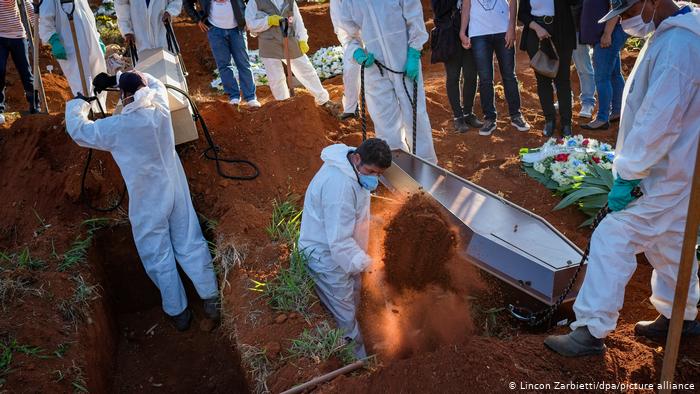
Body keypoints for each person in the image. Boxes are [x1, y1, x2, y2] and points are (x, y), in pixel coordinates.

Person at [544, 0, 700, 357]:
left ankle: (590, 331)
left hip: (662, 173)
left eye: (627, 13)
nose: (625, 22)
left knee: (612, 237)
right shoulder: (674, 34)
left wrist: (630, 173)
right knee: (672, 242)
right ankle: (682, 314)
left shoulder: (680, 46)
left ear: (651, 1)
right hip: (675, 170)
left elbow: (658, 120)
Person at [65, 71, 221, 331]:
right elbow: (156, 82)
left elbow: (79, 131)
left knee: (158, 254)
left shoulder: (117, 128)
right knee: (190, 242)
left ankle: (178, 312)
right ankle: (210, 298)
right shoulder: (159, 108)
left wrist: (80, 103)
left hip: (148, 200)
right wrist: (119, 78)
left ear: (124, 96)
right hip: (175, 190)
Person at [299, 138, 393, 359]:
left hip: (345, 251)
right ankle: (358, 363)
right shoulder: (339, 188)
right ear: (358, 158)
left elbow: (347, 215)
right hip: (327, 258)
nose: (373, 178)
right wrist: (370, 266)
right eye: (371, 172)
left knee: (355, 298)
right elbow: (339, 243)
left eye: (378, 175)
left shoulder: (350, 162)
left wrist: (372, 219)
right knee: (345, 316)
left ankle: (361, 341)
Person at [338, 0, 438, 164]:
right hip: (375, 67)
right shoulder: (349, 2)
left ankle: (426, 165)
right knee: (384, 120)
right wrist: (356, 52)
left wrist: (414, 50)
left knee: (415, 115)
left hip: (404, 60)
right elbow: (347, 35)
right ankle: (397, 167)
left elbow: (414, 17)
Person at [244, 0, 335, 111]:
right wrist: (268, 21)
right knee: (276, 77)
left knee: (306, 69)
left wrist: (302, 39)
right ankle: (285, 105)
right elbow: (250, 24)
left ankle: (323, 100)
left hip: (289, 38)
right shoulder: (255, 2)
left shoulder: (290, 1)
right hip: (269, 42)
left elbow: (297, 20)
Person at [461, 0, 530, 136]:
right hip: (478, 34)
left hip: (503, 31)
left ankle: (516, 115)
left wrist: (512, 27)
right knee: (485, 79)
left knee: (509, 76)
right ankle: (489, 118)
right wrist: (462, 31)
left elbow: (513, 1)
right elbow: (466, 5)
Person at [184, 0, 260, 107]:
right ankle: (233, 96)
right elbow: (187, 2)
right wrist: (197, 20)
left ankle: (250, 97)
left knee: (243, 63)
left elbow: (251, 1)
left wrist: (248, 18)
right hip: (215, 30)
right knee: (224, 64)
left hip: (237, 29)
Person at [518, 0, 578, 137]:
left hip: (562, 31)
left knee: (562, 80)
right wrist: (538, 28)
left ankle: (566, 123)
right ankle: (549, 120)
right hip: (536, 34)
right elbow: (522, 13)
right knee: (543, 80)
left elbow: (576, 3)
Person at [430, 0, 483, 133]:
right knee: (453, 76)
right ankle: (458, 116)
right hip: (450, 36)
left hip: (471, 31)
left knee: (471, 75)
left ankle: (468, 113)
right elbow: (438, 10)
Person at [39, 0, 107, 101]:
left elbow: (88, 15)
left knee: (98, 79)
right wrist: (54, 40)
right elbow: (45, 20)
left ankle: (97, 112)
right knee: (80, 82)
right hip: (69, 45)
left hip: (89, 42)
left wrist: (97, 38)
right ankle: (85, 112)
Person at [580, 0, 628, 130]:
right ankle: (617, 111)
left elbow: (617, 6)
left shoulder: (608, 34)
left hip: (609, 33)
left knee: (602, 78)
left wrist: (607, 34)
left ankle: (602, 118)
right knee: (614, 74)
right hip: (606, 33)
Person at [0, 0, 38, 125]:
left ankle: (35, 106)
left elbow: (32, 13)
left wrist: (40, 32)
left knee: (26, 73)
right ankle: (0, 109)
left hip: (18, 37)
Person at [115, 0, 182, 54]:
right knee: (144, 68)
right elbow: (121, 7)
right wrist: (127, 31)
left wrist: (170, 12)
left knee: (169, 66)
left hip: (163, 36)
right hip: (140, 40)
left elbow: (176, 1)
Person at [330, 0, 360, 120]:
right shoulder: (337, 2)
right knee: (351, 70)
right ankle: (351, 108)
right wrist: (354, 47)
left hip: (373, 35)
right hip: (351, 39)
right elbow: (340, 26)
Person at [571, 0, 597, 119]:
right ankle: (565, 98)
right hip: (559, 30)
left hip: (577, 28)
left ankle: (588, 103)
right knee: (559, 67)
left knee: (583, 67)